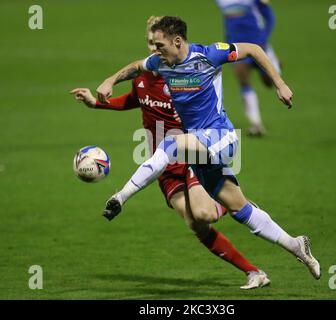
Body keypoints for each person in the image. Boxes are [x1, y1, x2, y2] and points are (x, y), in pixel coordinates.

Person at [96, 16, 321, 281]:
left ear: (177, 41)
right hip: (199, 149)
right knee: (241, 210)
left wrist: (280, 84)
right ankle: (296, 245)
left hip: (221, 136)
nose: (155, 51)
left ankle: (121, 196)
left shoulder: (210, 54)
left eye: (160, 45)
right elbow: (135, 67)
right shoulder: (160, 63)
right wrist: (111, 80)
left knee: (171, 144)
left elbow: (254, 50)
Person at [71, 16, 270, 289]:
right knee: (196, 225)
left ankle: (237, 204)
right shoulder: (142, 77)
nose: (153, 48)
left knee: (205, 214)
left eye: (158, 44)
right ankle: (253, 272)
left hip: (189, 153)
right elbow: (135, 100)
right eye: (150, 43)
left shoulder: (177, 76)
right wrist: (97, 105)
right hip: (161, 163)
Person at [215, 0, 281, 136]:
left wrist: (263, 40)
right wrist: (228, 42)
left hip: (259, 46)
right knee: (243, 81)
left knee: (269, 82)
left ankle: (274, 63)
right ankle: (256, 124)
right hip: (238, 47)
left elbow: (269, 17)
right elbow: (227, 20)